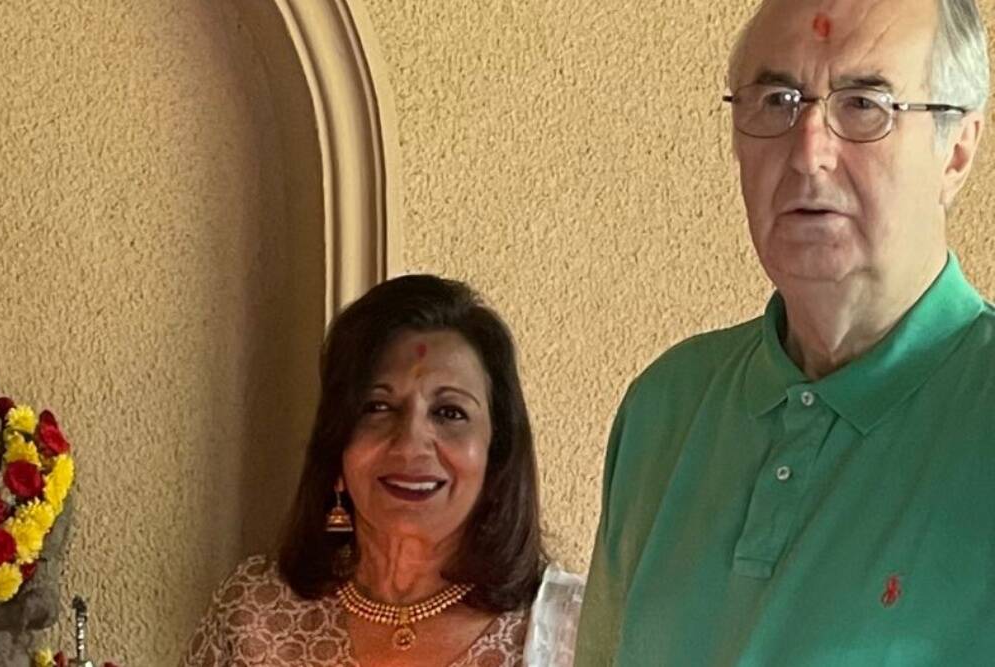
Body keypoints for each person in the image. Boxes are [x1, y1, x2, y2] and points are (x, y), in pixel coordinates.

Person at [575, 0, 994, 664]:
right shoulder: (665, 406)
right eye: (777, 101)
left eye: (864, 105)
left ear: (957, 152)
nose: (807, 153)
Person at [180, 275, 583, 666]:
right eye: (377, 407)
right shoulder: (254, 616)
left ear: (497, 451)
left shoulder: (568, 633)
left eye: (449, 412)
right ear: (337, 440)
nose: (409, 443)